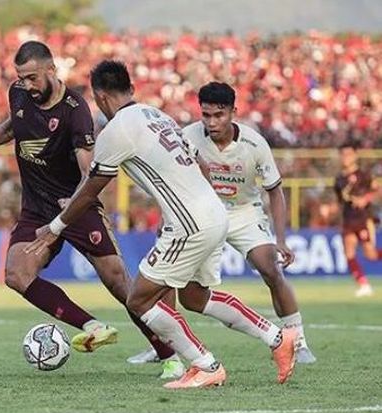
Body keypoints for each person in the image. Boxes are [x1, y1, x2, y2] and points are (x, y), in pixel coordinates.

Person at [26, 60, 297, 388]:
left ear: (100, 97)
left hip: (190, 223)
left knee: (139, 299)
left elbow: (92, 186)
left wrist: (54, 227)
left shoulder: (116, 131)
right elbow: (201, 165)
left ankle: (205, 365)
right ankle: (277, 337)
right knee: (195, 297)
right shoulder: (157, 115)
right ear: (130, 89)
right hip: (213, 212)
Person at [0, 41, 184, 379]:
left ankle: (169, 353)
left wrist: (72, 204)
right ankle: (93, 326)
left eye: (31, 78)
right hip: (37, 208)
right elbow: (14, 126)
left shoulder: (75, 109)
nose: (26, 85)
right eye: (21, 78)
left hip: (75, 205)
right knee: (16, 274)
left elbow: (89, 170)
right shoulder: (20, 93)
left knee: (119, 283)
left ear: (51, 71)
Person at [128, 82, 316, 365]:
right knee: (175, 284)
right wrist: (169, 218)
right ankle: (163, 348)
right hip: (200, 214)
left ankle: (297, 340)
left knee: (270, 267)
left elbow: (274, 191)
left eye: (219, 115)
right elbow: (172, 181)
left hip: (243, 213)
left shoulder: (254, 144)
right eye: (206, 115)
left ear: (233, 112)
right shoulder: (187, 136)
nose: (212, 122)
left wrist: (280, 239)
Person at [334, 145, 381, 297]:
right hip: (348, 219)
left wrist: (365, 199)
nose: (346, 157)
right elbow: (340, 201)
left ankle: (364, 284)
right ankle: (363, 284)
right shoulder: (339, 179)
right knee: (349, 252)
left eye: (349, 154)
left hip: (363, 218)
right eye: (343, 154)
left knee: (370, 254)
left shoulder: (364, 174)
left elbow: (377, 190)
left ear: (355, 155)